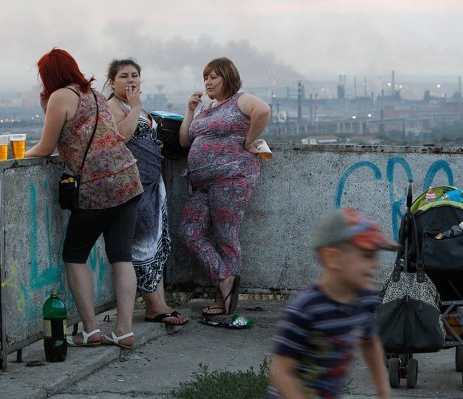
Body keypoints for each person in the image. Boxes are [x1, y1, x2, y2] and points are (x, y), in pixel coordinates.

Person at [25, 48, 143, 350]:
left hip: (98, 186)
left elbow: (45, 146)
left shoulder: (60, 97)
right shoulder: (93, 94)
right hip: (128, 179)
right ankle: (124, 330)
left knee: (75, 255)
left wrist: (17, 156)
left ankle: (91, 331)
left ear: (48, 75)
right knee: (121, 257)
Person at [267, 208, 395, 399]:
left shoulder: (365, 300)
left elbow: (370, 342)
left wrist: (383, 389)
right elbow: (281, 371)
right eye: (367, 255)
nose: (376, 265)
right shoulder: (306, 307)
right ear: (332, 258)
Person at [178, 57, 271, 316]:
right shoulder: (206, 108)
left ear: (228, 78)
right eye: (206, 77)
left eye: (214, 77)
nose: (208, 82)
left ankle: (224, 301)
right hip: (201, 183)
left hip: (231, 178)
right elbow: (185, 140)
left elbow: (262, 111)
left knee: (225, 237)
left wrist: (248, 141)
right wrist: (190, 110)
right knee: (188, 231)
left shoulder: (240, 100)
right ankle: (224, 278)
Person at [105, 58, 188, 326]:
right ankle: (153, 305)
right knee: (142, 244)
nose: (131, 81)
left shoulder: (135, 108)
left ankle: (159, 303)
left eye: (135, 76)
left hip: (153, 183)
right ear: (112, 82)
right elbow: (120, 137)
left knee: (157, 244)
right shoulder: (113, 107)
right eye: (124, 76)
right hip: (133, 187)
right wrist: (137, 106)